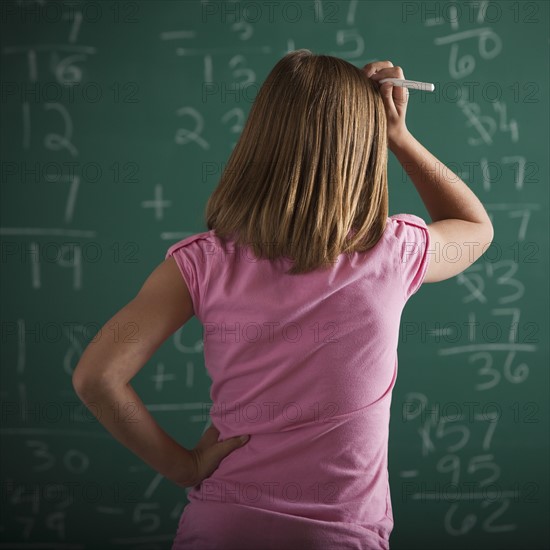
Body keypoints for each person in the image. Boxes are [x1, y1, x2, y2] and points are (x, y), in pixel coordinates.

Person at [72, 50, 494, 549]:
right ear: (363, 147)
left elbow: (96, 378)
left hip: (221, 529)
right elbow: (475, 229)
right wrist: (399, 136)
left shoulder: (200, 263)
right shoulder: (391, 253)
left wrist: (184, 467)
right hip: (340, 535)